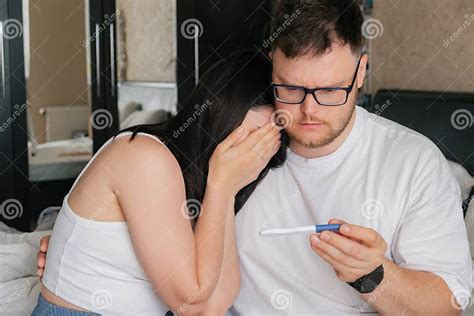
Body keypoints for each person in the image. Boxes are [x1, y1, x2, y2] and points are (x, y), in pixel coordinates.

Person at [39, 1, 472, 314]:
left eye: (330, 91)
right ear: (271, 70)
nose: (308, 110)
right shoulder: (247, 144)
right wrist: (81, 246)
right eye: (291, 88)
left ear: (360, 73)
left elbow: (449, 306)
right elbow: (173, 249)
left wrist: (374, 274)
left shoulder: (413, 162)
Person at [32, 49, 286, 315]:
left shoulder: (204, 182)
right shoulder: (145, 156)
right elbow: (192, 301)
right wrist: (222, 187)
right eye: (257, 137)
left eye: (267, 146)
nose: (253, 156)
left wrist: (226, 189)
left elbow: (215, 304)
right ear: (224, 112)